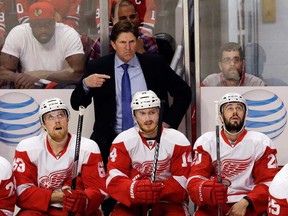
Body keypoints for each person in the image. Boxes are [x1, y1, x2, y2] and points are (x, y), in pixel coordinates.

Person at [70, 20, 191, 168]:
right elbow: (76, 103)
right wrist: (85, 85)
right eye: (122, 42)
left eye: (132, 42)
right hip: (110, 141)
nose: (128, 47)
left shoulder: (154, 64)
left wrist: (167, 122)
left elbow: (184, 93)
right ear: (113, 44)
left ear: (138, 42)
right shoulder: (99, 66)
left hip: (149, 138)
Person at [187, 92, 279, 216]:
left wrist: (246, 202)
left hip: (247, 204)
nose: (235, 112)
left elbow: (269, 181)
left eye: (239, 108)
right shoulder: (206, 141)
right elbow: (194, 179)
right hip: (214, 204)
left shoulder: (261, 142)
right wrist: (208, 190)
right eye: (229, 108)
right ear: (221, 115)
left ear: (245, 114)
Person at [12, 97, 106, 215]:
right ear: (43, 124)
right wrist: (61, 196)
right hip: (41, 210)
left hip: (75, 210)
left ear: (68, 119)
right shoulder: (27, 148)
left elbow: (98, 189)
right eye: (50, 117)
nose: (57, 121)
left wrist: (83, 199)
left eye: (61, 115)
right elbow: (22, 193)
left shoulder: (88, 147)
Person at [106, 90, 192, 215]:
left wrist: (155, 189)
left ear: (159, 113)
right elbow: (113, 179)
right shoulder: (123, 141)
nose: (147, 119)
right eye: (142, 113)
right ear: (134, 116)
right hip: (133, 200)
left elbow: (183, 180)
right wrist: (135, 189)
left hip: (168, 201)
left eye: (152, 112)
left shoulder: (178, 140)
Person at [0, 1, 85, 89]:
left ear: (54, 23)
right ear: (30, 25)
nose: (43, 30)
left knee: (72, 88)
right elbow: (4, 72)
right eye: (37, 25)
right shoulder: (18, 33)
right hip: (28, 85)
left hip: (60, 84)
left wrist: (40, 74)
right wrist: (22, 79)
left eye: (47, 24)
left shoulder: (68, 33)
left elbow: (77, 74)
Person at [90, 0, 158, 60]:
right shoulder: (103, 42)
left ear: (137, 17)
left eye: (132, 17)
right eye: (123, 18)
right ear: (113, 20)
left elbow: (156, 71)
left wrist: (142, 53)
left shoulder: (147, 40)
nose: (128, 21)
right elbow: (93, 69)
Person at [201, 42, 266, 86]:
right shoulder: (209, 83)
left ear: (243, 63)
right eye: (227, 60)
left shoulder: (256, 84)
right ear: (220, 65)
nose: (232, 64)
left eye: (236, 59)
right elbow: (197, 105)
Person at [15, 0, 81, 31]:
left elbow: (73, 20)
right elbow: (24, 19)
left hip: (62, 31)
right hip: (35, 30)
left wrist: (57, 29)